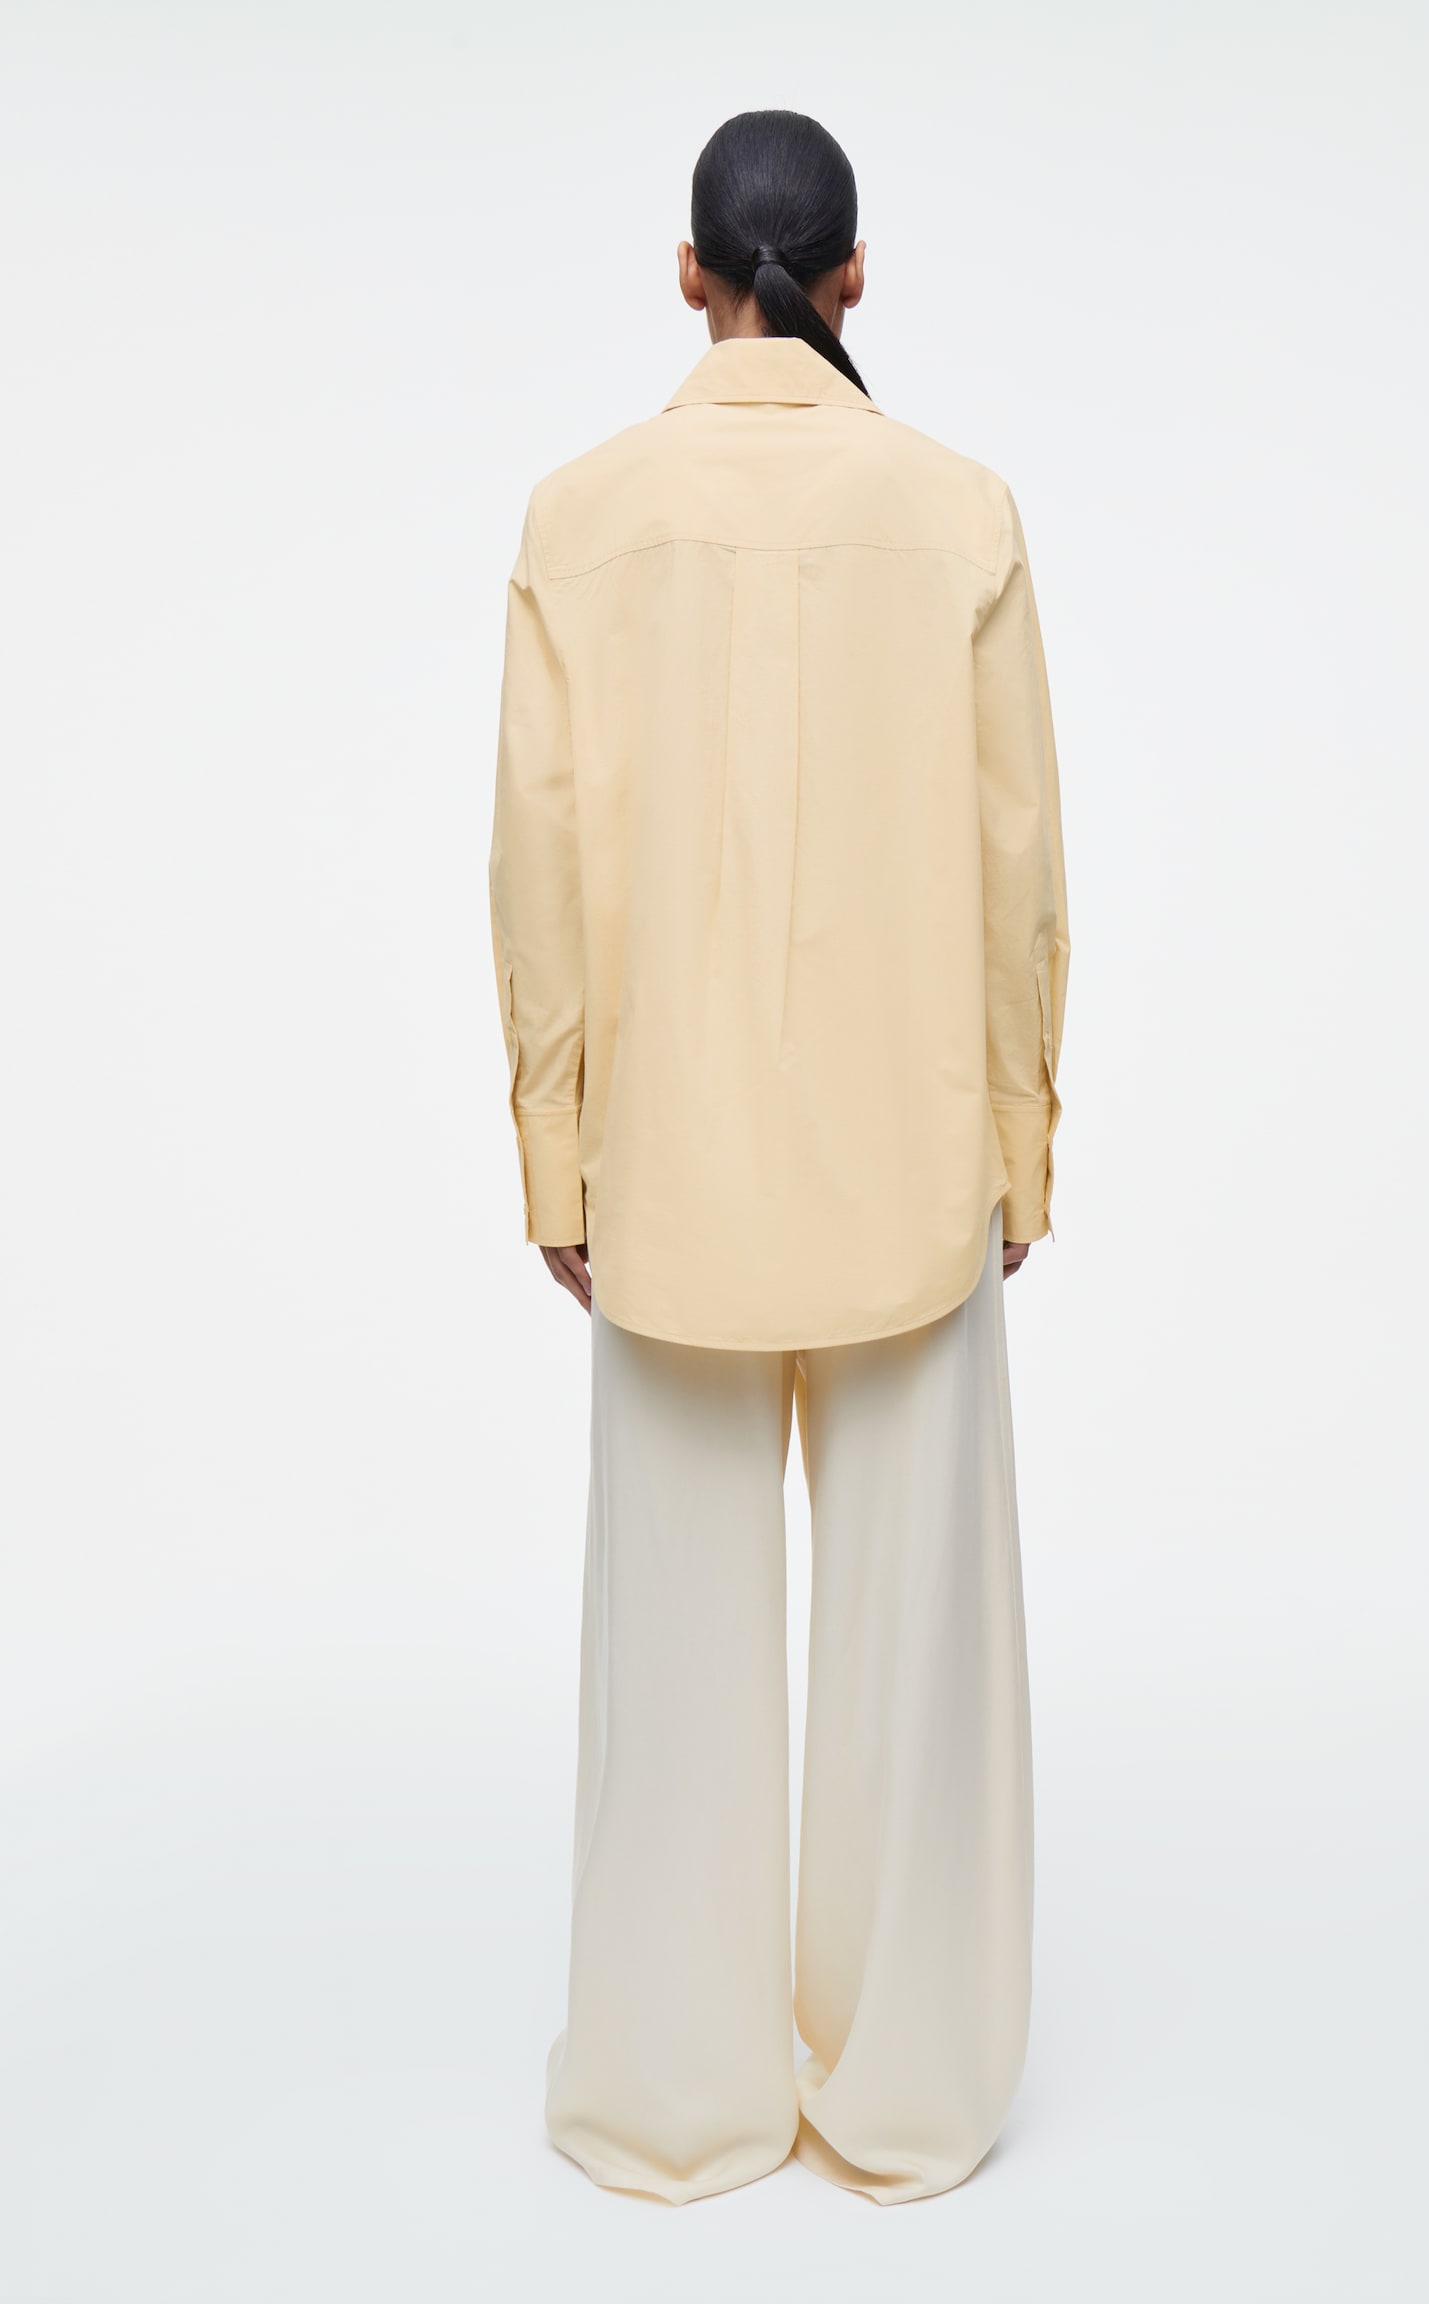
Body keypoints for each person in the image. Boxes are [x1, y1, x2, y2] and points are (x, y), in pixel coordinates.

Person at [488, 108, 1069, 2207]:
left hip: (668, 1179)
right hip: (910, 1170)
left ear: (686, 274)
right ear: (852, 278)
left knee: (672, 1659)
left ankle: (676, 2098)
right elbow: (1018, 862)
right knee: (919, 1659)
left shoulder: (579, 517)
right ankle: (903, 2102)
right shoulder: (962, 510)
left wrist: (558, 1155)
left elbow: (535, 863)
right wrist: (1018, 1135)